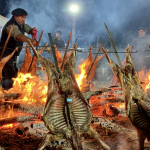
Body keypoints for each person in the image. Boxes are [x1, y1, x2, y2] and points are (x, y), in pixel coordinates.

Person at [0, 8, 38, 90]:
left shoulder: (21, 24)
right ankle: (7, 91)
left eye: (24, 17)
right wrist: (30, 40)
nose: (23, 19)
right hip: (5, 51)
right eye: (21, 17)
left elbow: (28, 28)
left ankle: (12, 89)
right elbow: (18, 36)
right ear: (15, 16)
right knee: (8, 72)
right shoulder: (11, 25)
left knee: (14, 71)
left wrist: (32, 31)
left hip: (13, 52)